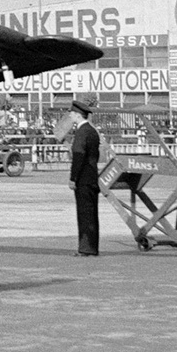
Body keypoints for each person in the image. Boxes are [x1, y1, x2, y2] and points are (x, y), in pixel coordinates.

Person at [69, 96, 101, 256]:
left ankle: (85, 248)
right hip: (92, 177)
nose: (70, 116)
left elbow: (78, 156)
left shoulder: (82, 132)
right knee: (93, 214)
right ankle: (92, 247)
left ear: (77, 115)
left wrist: (73, 178)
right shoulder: (93, 131)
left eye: (71, 114)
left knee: (84, 214)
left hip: (83, 179)